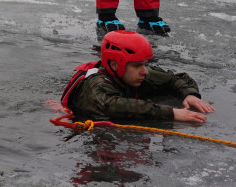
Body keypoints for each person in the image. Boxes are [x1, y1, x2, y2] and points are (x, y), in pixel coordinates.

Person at [61, 30, 214, 123]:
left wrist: (189, 94)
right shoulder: (96, 84)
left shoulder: (131, 74)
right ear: (115, 65)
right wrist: (172, 112)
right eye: (137, 65)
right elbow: (112, 106)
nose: (144, 71)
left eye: (144, 64)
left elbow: (174, 78)